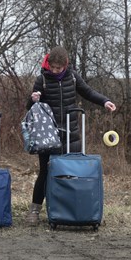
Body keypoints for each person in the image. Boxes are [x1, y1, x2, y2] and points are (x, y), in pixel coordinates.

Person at [25, 46, 116, 225]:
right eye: (52, 67)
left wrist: (105, 101)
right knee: (45, 172)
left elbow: (88, 92)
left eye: (59, 68)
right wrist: (33, 99)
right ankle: (34, 211)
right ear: (48, 64)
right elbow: (29, 106)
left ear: (65, 65)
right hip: (48, 135)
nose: (55, 71)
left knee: (72, 173)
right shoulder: (41, 80)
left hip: (71, 133)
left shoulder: (73, 77)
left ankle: (72, 211)